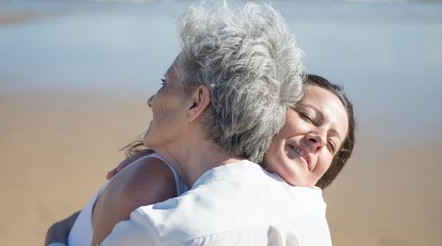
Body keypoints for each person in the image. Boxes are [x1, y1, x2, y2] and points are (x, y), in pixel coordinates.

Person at [48, 1, 339, 245]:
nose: (151, 100)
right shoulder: (309, 207)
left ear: (197, 102)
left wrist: (56, 236)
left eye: (166, 82)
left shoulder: (153, 199)